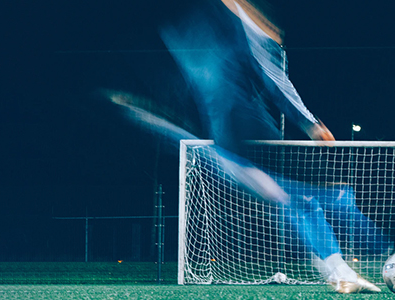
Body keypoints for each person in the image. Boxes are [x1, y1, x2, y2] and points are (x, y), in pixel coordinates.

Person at [150, 0, 380, 293]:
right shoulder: (245, 39)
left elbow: (196, 78)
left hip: (230, 148)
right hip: (249, 135)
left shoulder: (203, 47)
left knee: (299, 203)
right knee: (330, 194)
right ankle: (379, 250)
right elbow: (275, 80)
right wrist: (311, 124)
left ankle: (338, 270)